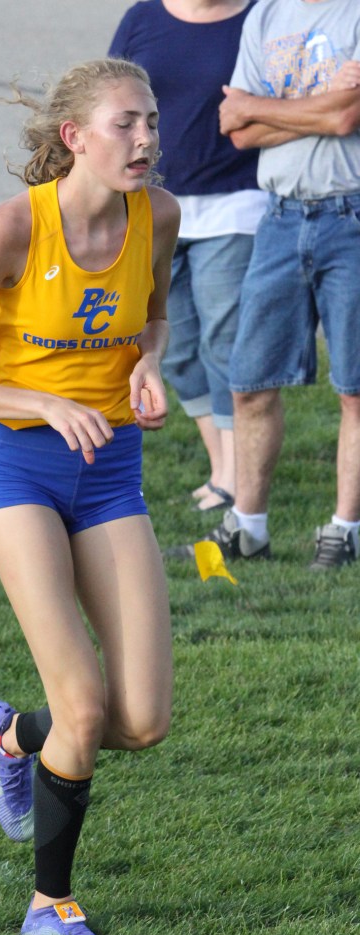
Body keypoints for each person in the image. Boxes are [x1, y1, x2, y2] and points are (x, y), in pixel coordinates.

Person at [0, 58, 180, 935]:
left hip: (110, 471)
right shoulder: (13, 228)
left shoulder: (158, 214)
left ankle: (14, 738)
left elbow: (153, 315)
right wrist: (44, 402)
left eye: (150, 121)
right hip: (20, 472)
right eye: (125, 124)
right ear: (75, 137)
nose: (145, 139)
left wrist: (147, 364)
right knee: (85, 703)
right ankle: (49, 906)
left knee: (141, 720)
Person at [165, 0, 360, 568]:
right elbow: (237, 129)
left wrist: (262, 106)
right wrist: (318, 107)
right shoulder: (266, 15)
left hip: (352, 214)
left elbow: (346, 120)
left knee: (354, 390)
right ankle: (246, 529)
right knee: (249, 383)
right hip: (279, 218)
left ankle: (345, 530)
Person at [109, 0, 268, 512]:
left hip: (234, 206)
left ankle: (232, 477)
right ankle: (223, 464)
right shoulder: (143, 19)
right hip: (153, 209)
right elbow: (108, 99)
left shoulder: (259, 16)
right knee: (172, 348)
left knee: (224, 343)